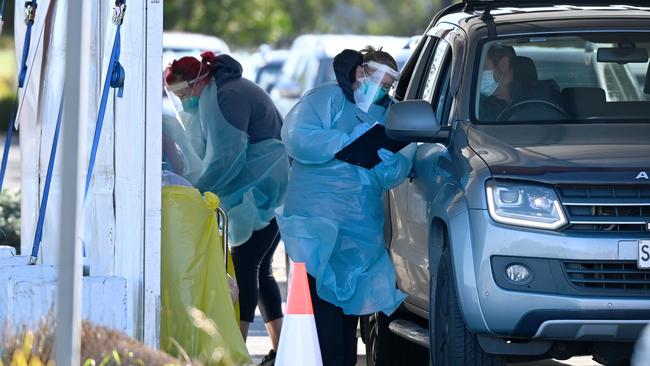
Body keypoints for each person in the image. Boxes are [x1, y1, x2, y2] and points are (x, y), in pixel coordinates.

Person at [276, 46, 416, 366]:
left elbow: (399, 165)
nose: (381, 91)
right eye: (378, 81)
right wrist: (343, 141)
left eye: (387, 86)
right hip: (315, 219)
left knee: (347, 304)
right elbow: (296, 136)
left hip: (358, 225)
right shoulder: (323, 100)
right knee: (320, 303)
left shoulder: (387, 113)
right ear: (359, 73)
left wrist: (390, 164)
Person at [163, 51, 289, 366]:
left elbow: (226, 156)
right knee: (261, 268)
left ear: (197, 82)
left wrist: (197, 191)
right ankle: (281, 351)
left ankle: (236, 350)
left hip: (262, 189)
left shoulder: (225, 95)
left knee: (246, 265)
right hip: (267, 187)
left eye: (183, 93)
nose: (183, 101)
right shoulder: (221, 92)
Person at [479, 44, 562, 121]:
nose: (477, 74)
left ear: (503, 64)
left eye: (483, 67)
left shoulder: (544, 94)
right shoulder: (476, 104)